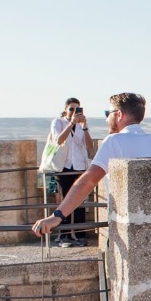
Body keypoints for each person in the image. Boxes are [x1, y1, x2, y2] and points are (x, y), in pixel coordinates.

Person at [31, 92, 151, 240]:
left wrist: (56, 216)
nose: (106, 118)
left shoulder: (114, 141)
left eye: (107, 113)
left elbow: (89, 180)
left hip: (126, 227)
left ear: (119, 114)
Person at [47, 97, 98, 247]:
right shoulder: (58, 123)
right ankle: (64, 236)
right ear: (65, 110)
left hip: (80, 167)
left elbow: (89, 146)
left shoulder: (82, 126)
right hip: (64, 167)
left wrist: (85, 127)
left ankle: (80, 235)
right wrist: (71, 123)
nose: (74, 112)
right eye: (71, 109)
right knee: (64, 201)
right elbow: (59, 140)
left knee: (80, 202)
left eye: (77, 109)